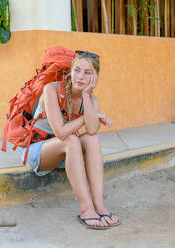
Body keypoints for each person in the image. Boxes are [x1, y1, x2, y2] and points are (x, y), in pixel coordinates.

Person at [18, 50, 120, 230]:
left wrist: (87, 97)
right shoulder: (51, 90)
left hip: (63, 152)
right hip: (36, 150)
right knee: (71, 140)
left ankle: (100, 206)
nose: (80, 77)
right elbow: (60, 132)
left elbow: (92, 129)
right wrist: (87, 117)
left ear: (95, 77)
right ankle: (86, 209)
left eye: (87, 73)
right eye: (77, 70)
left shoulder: (91, 99)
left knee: (92, 139)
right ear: (70, 72)